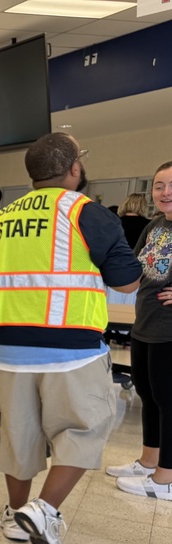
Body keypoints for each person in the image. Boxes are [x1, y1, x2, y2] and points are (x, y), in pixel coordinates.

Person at [0, 132, 141, 544]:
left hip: (6, 348)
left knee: (19, 434)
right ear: (74, 169)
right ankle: (44, 510)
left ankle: (14, 515)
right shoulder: (88, 213)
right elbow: (126, 280)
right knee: (86, 427)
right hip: (71, 349)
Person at [105, 161, 172, 499]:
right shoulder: (155, 226)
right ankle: (149, 461)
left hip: (169, 330)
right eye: (159, 185)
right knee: (148, 395)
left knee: (168, 401)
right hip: (145, 323)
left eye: (171, 185)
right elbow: (133, 268)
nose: (165, 192)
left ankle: (166, 479)